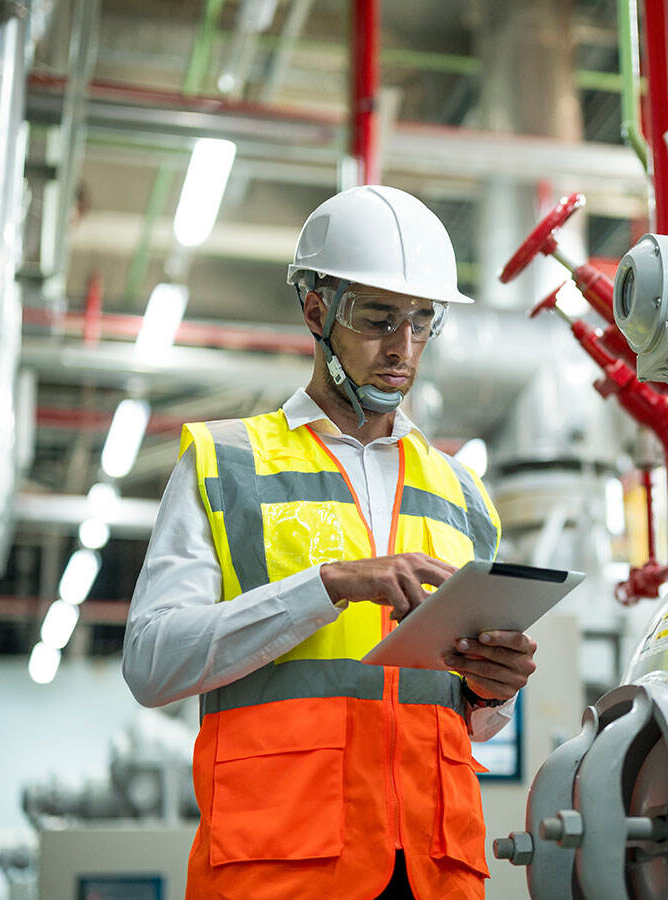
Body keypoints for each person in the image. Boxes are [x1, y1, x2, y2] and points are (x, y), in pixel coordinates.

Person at [122, 185, 538, 900]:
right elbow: (153, 666)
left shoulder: (464, 494)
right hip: (282, 869)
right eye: (377, 319)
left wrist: (493, 690)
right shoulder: (228, 465)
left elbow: (471, 724)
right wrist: (329, 585)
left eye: (420, 323)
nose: (401, 349)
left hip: (437, 873)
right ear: (317, 310)